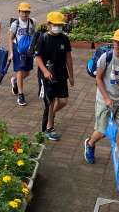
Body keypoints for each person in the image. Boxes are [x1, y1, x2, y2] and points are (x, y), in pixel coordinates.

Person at [84, 28, 119, 179]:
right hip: (104, 100)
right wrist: (107, 98)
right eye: (115, 42)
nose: (117, 45)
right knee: (102, 132)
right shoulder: (106, 57)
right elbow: (98, 79)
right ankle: (90, 143)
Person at [35, 11, 74, 141]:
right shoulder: (43, 38)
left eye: (60, 25)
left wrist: (71, 76)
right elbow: (38, 58)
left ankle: (50, 116)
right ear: (49, 24)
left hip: (61, 73)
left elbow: (68, 58)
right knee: (51, 101)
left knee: (63, 101)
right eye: (55, 24)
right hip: (47, 75)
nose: (58, 27)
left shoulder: (64, 39)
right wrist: (45, 72)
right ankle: (49, 128)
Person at [8, 2, 36, 106]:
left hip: (28, 50)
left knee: (27, 73)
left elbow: (33, 35)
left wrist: (35, 49)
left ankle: (15, 81)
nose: (25, 14)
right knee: (20, 71)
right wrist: (11, 53)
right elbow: (10, 38)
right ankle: (21, 95)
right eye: (23, 12)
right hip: (18, 50)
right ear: (19, 12)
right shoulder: (15, 24)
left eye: (27, 12)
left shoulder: (32, 22)